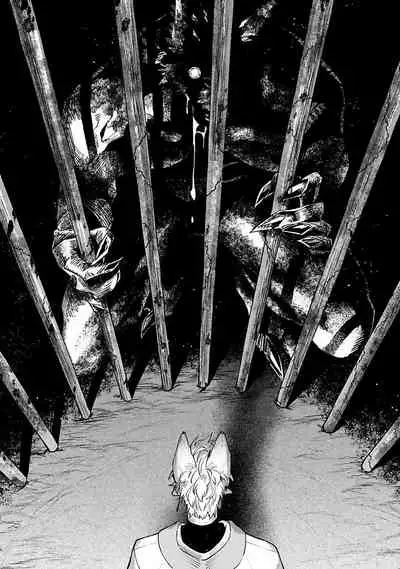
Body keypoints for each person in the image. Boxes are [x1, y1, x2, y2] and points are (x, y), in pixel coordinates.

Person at [127, 432, 284, 569]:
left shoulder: (146, 554)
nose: (202, 495)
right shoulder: (264, 557)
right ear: (225, 488)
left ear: (178, 489)